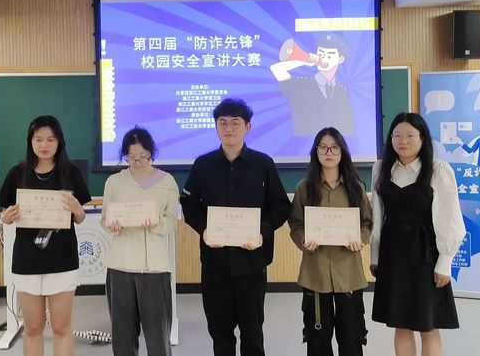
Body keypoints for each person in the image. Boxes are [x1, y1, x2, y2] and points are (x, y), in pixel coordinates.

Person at [180, 98, 291, 356]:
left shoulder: (263, 164)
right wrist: (204, 229)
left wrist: (262, 233)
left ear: (247, 127)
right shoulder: (203, 164)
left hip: (252, 262)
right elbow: (189, 203)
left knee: (252, 333)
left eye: (235, 123)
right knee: (220, 332)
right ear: (216, 127)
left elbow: (280, 207)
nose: (228, 129)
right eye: (223, 123)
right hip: (215, 263)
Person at [370, 113, 466, 356]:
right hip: (393, 253)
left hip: (426, 256)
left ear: (422, 138)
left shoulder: (438, 170)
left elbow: (451, 219)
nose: (403, 141)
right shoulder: (381, 168)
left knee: (428, 325)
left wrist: (444, 262)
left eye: (410, 135)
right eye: (397, 135)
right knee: (400, 324)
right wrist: (375, 256)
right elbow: (378, 215)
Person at [0, 115, 91, 356]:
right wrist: (6, 216)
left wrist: (77, 210)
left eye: (50, 139)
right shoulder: (18, 173)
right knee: (33, 328)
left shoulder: (71, 172)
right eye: (38, 139)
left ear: (59, 142)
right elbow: (3, 214)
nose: (44, 145)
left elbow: (80, 218)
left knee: (61, 327)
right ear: (30, 142)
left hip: (62, 260)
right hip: (27, 260)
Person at [288, 127, 372, 356]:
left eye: (334, 147)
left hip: (349, 274)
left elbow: (367, 223)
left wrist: (360, 239)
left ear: (342, 151)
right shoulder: (304, 188)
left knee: (352, 338)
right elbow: (295, 223)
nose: (329, 153)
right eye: (323, 147)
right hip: (315, 274)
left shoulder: (356, 188)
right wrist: (303, 240)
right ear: (315, 151)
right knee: (317, 339)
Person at [101, 126, 179, 356]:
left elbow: (171, 221)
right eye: (131, 157)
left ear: (151, 153)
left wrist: (156, 223)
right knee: (122, 335)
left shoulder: (167, 182)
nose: (137, 162)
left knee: (157, 335)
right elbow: (105, 218)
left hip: (154, 267)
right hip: (120, 265)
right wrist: (112, 225)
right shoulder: (114, 182)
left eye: (143, 157)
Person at [270, 34, 354, 136]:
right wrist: (305, 61)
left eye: (329, 56)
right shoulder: (302, 85)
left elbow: (348, 126)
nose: (323, 59)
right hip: (301, 142)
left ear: (340, 59)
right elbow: (276, 69)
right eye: (321, 54)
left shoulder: (341, 91)